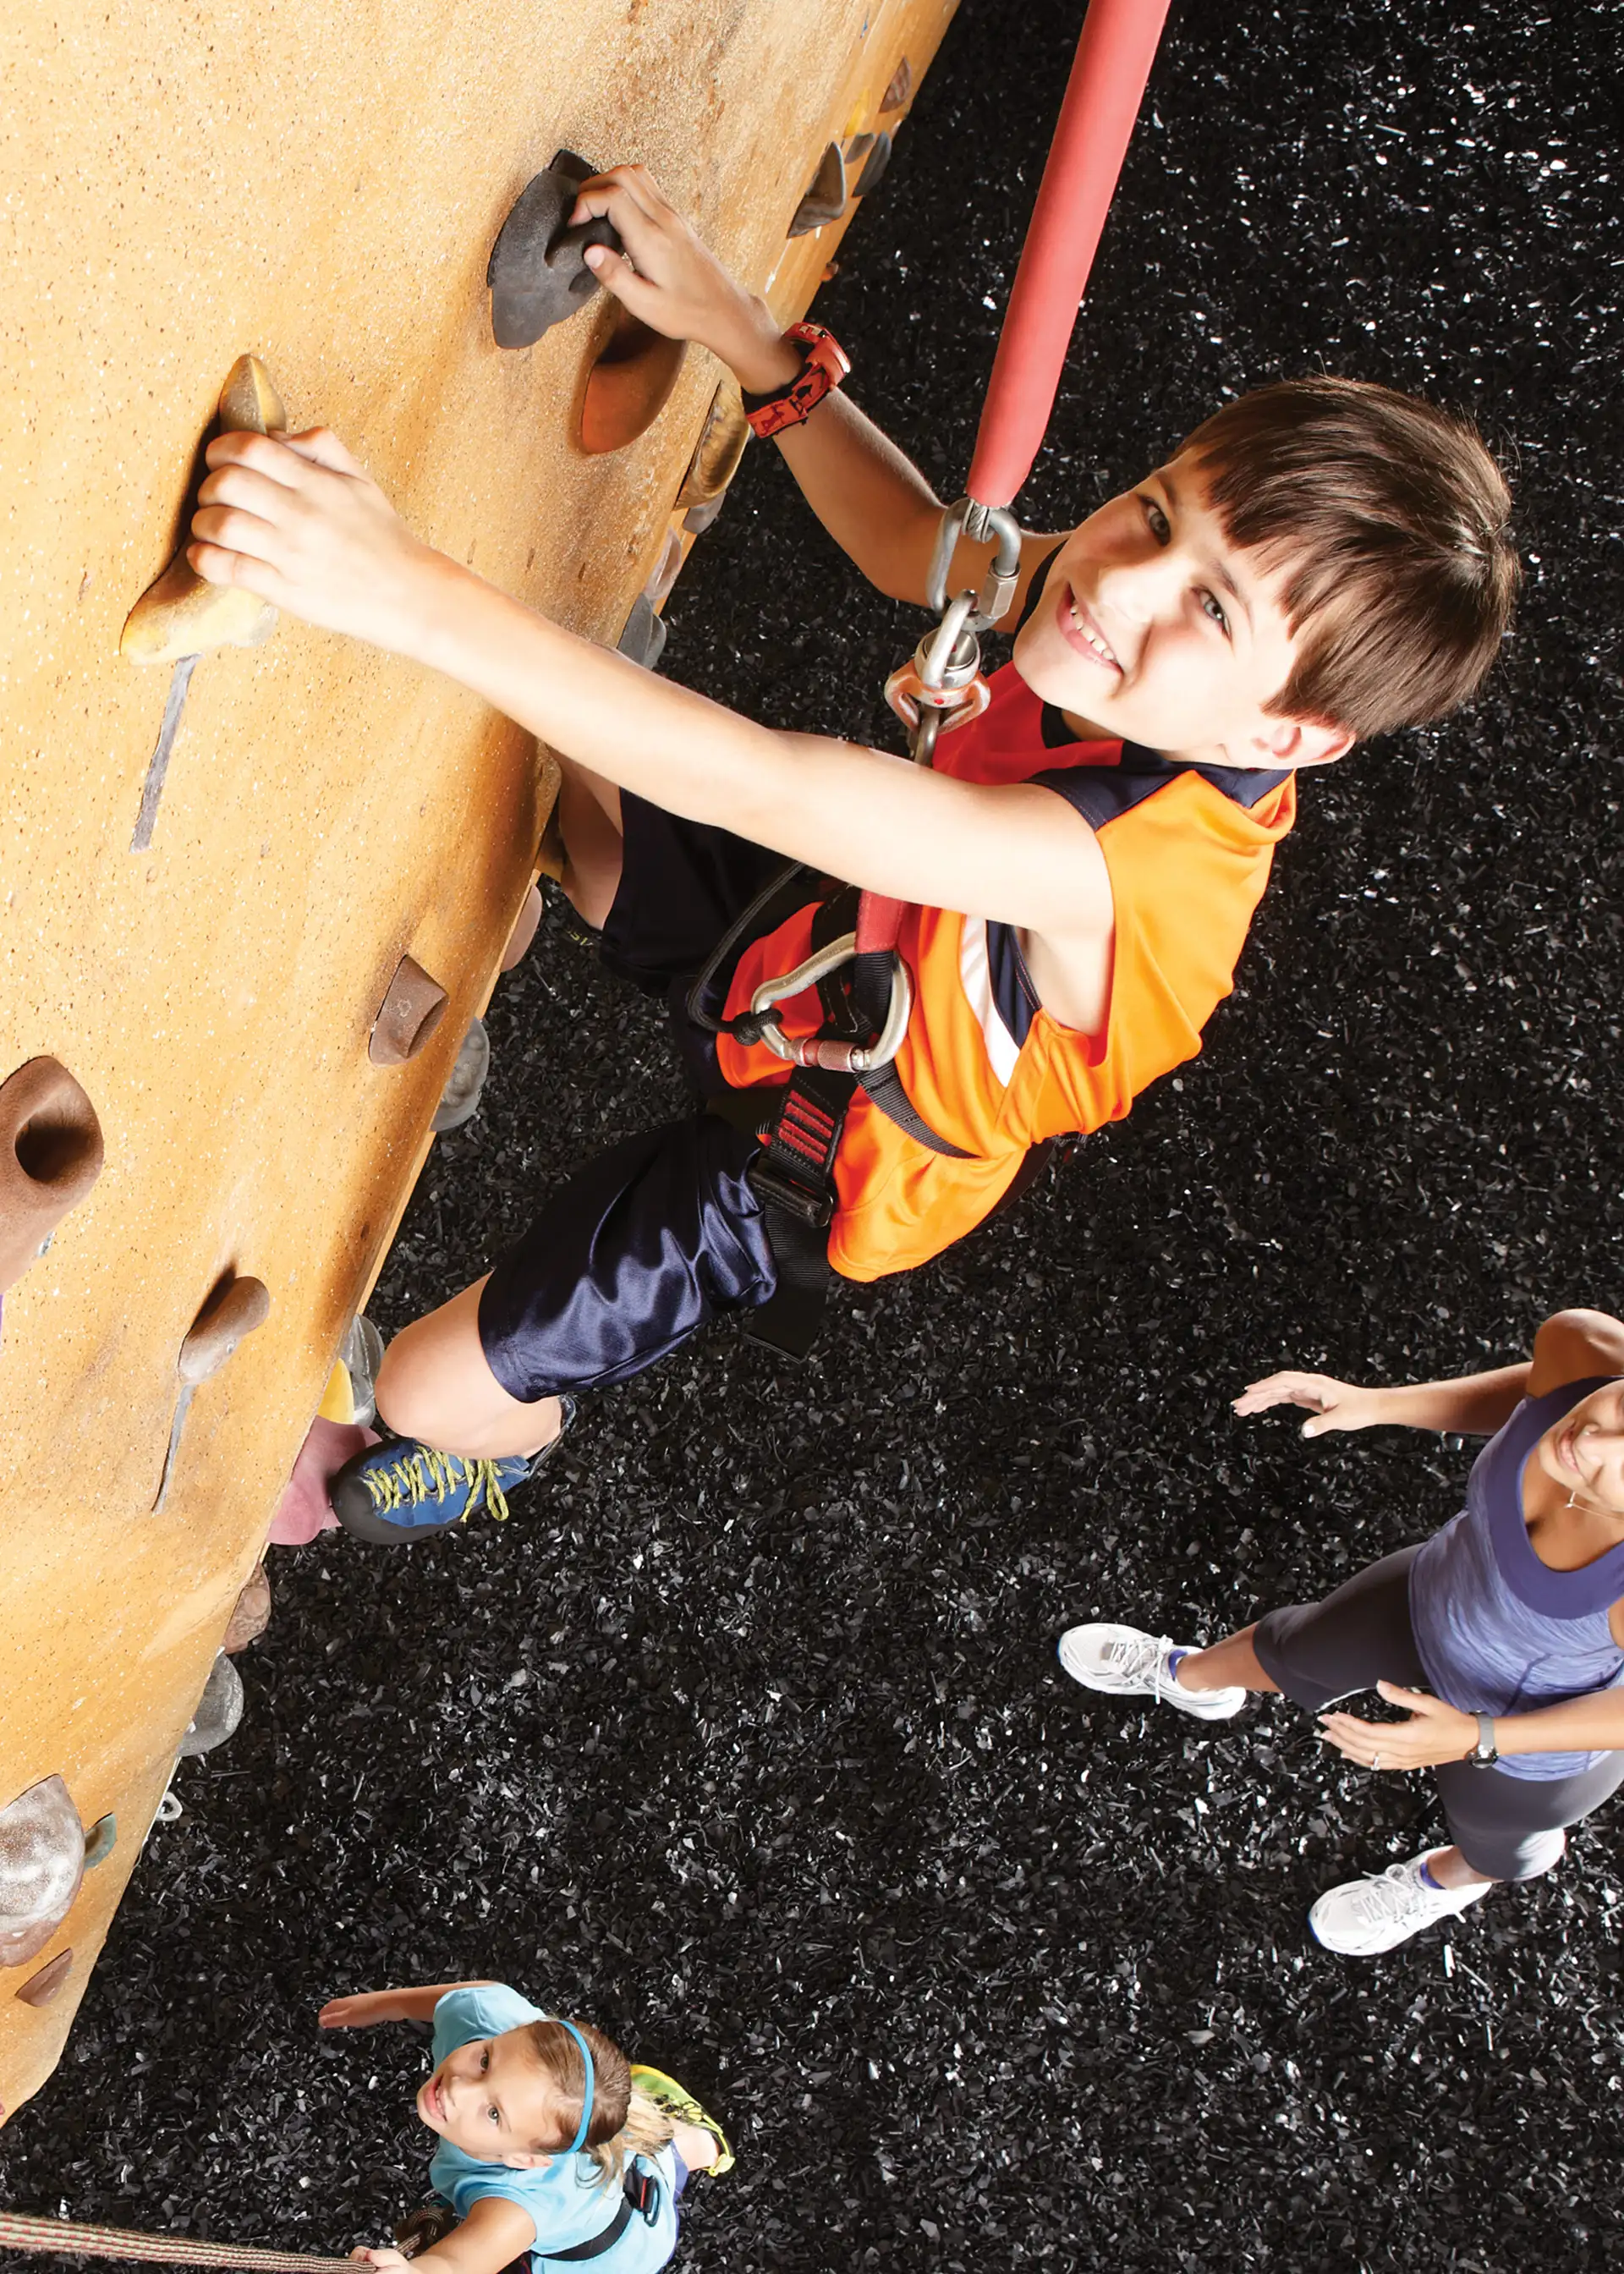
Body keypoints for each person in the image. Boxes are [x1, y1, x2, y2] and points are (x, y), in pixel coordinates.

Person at [183, 168, 1518, 1541]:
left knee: (419, 1383)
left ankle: (504, 1447)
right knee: (583, 783)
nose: (1116, 581)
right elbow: (921, 549)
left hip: (810, 1157)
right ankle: (618, 896)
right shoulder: (1118, 612)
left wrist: (385, 578)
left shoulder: (1132, 871)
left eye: (1209, 606)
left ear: (1288, 735)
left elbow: (781, 786)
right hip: (826, 950)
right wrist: (740, 328)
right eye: (1160, 508)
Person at [1059, 1307, 1624, 1956]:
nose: (1590, 1443)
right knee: (1293, 1644)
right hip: (1434, 1594)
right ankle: (1188, 1679)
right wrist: (1377, 1404)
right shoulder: (1585, 1349)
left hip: (1525, 1728)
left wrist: (1481, 1735)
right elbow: (1536, 1397)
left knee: (1492, 1834)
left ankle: (1450, 1881)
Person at [320, 1977, 730, 2273]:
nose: (459, 2088)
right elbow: (467, 1997)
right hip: (588, 2161)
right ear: (513, 2032)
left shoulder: (518, 2208)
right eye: (485, 2062)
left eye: (495, 2113)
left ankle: (697, 2142)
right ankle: (661, 2125)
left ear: (523, 2158)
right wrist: (380, 2006)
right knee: (632, 2140)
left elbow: (457, 2263)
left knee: (662, 2160)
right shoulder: (491, 2020)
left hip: (612, 2249)